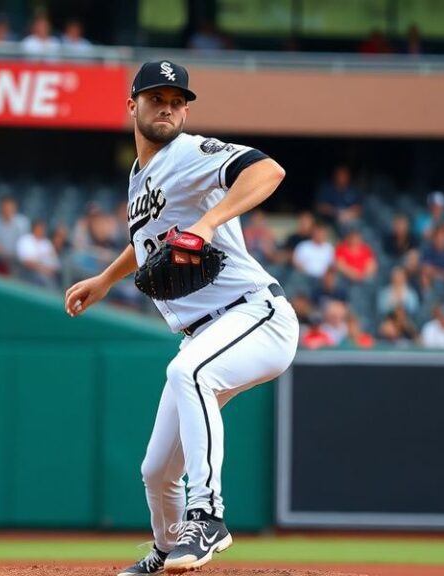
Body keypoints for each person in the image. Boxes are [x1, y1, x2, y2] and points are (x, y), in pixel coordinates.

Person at [63, 61, 298, 575]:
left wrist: (209, 224)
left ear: (186, 110)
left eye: (176, 100)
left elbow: (269, 171)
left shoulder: (188, 153)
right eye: (155, 98)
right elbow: (146, 243)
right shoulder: (139, 176)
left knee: (189, 373)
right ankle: (168, 548)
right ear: (133, 105)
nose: (167, 107)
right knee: (155, 470)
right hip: (206, 331)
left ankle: (208, 515)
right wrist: (105, 279)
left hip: (256, 315)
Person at [315, 164, 361, 230]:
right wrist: (336, 212)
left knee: (358, 225)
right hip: (331, 219)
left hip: (349, 217)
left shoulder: (352, 190)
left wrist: (348, 214)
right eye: (340, 175)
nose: (342, 177)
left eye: (344, 175)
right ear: (335, 175)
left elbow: (359, 208)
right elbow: (320, 207)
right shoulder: (327, 188)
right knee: (342, 223)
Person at [17, 220, 60, 289]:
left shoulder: (47, 244)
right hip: (27, 273)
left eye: (42, 229)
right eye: (39, 228)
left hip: (45, 276)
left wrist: (42, 268)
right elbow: (26, 262)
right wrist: (41, 267)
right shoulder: (25, 240)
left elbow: (54, 265)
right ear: (34, 228)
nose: (41, 231)